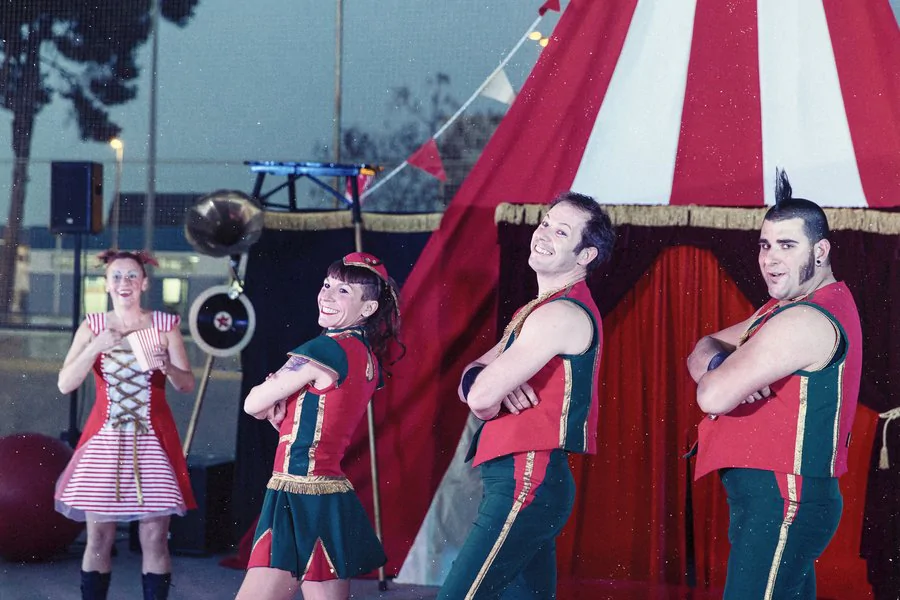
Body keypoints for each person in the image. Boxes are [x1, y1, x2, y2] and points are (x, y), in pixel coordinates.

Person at [686, 170, 862, 599]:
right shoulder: (781, 308)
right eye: (765, 245)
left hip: (784, 499)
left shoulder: (805, 317)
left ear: (820, 251)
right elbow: (702, 347)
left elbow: (711, 394)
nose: (770, 258)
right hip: (779, 499)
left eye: (787, 245)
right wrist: (723, 363)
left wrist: (724, 377)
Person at [438, 191, 616, 599]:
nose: (544, 234)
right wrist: (492, 381)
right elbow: (470, 376)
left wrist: (491, 385)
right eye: (545, 223)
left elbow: (479, 397)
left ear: (586, 255)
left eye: (561, 232)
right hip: (526, 479)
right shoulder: (537, 310)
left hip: (527, 478)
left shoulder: (560, 313)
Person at [235, 252, 402, 600]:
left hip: (297, 491)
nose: (327, 295)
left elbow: (252, 404)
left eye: (343, 291)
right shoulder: (366, 356)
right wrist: (282, 411)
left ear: (368, 308)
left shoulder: (324, 349)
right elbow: (318, 418)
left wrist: (272, 397)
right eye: (327, 285)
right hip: (329, 492)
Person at [55, 249, 197, 600]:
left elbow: (186, 385)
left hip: (152, 441)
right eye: (116, 276)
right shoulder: (92, 326)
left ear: (144, 283)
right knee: (99, 537)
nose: (124, 282)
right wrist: (95, 347)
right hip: (105, 440)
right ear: (106, 284)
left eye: (132, 275)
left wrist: (167, 366)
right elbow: (65, 383)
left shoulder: (164, 325)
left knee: (154, 537)